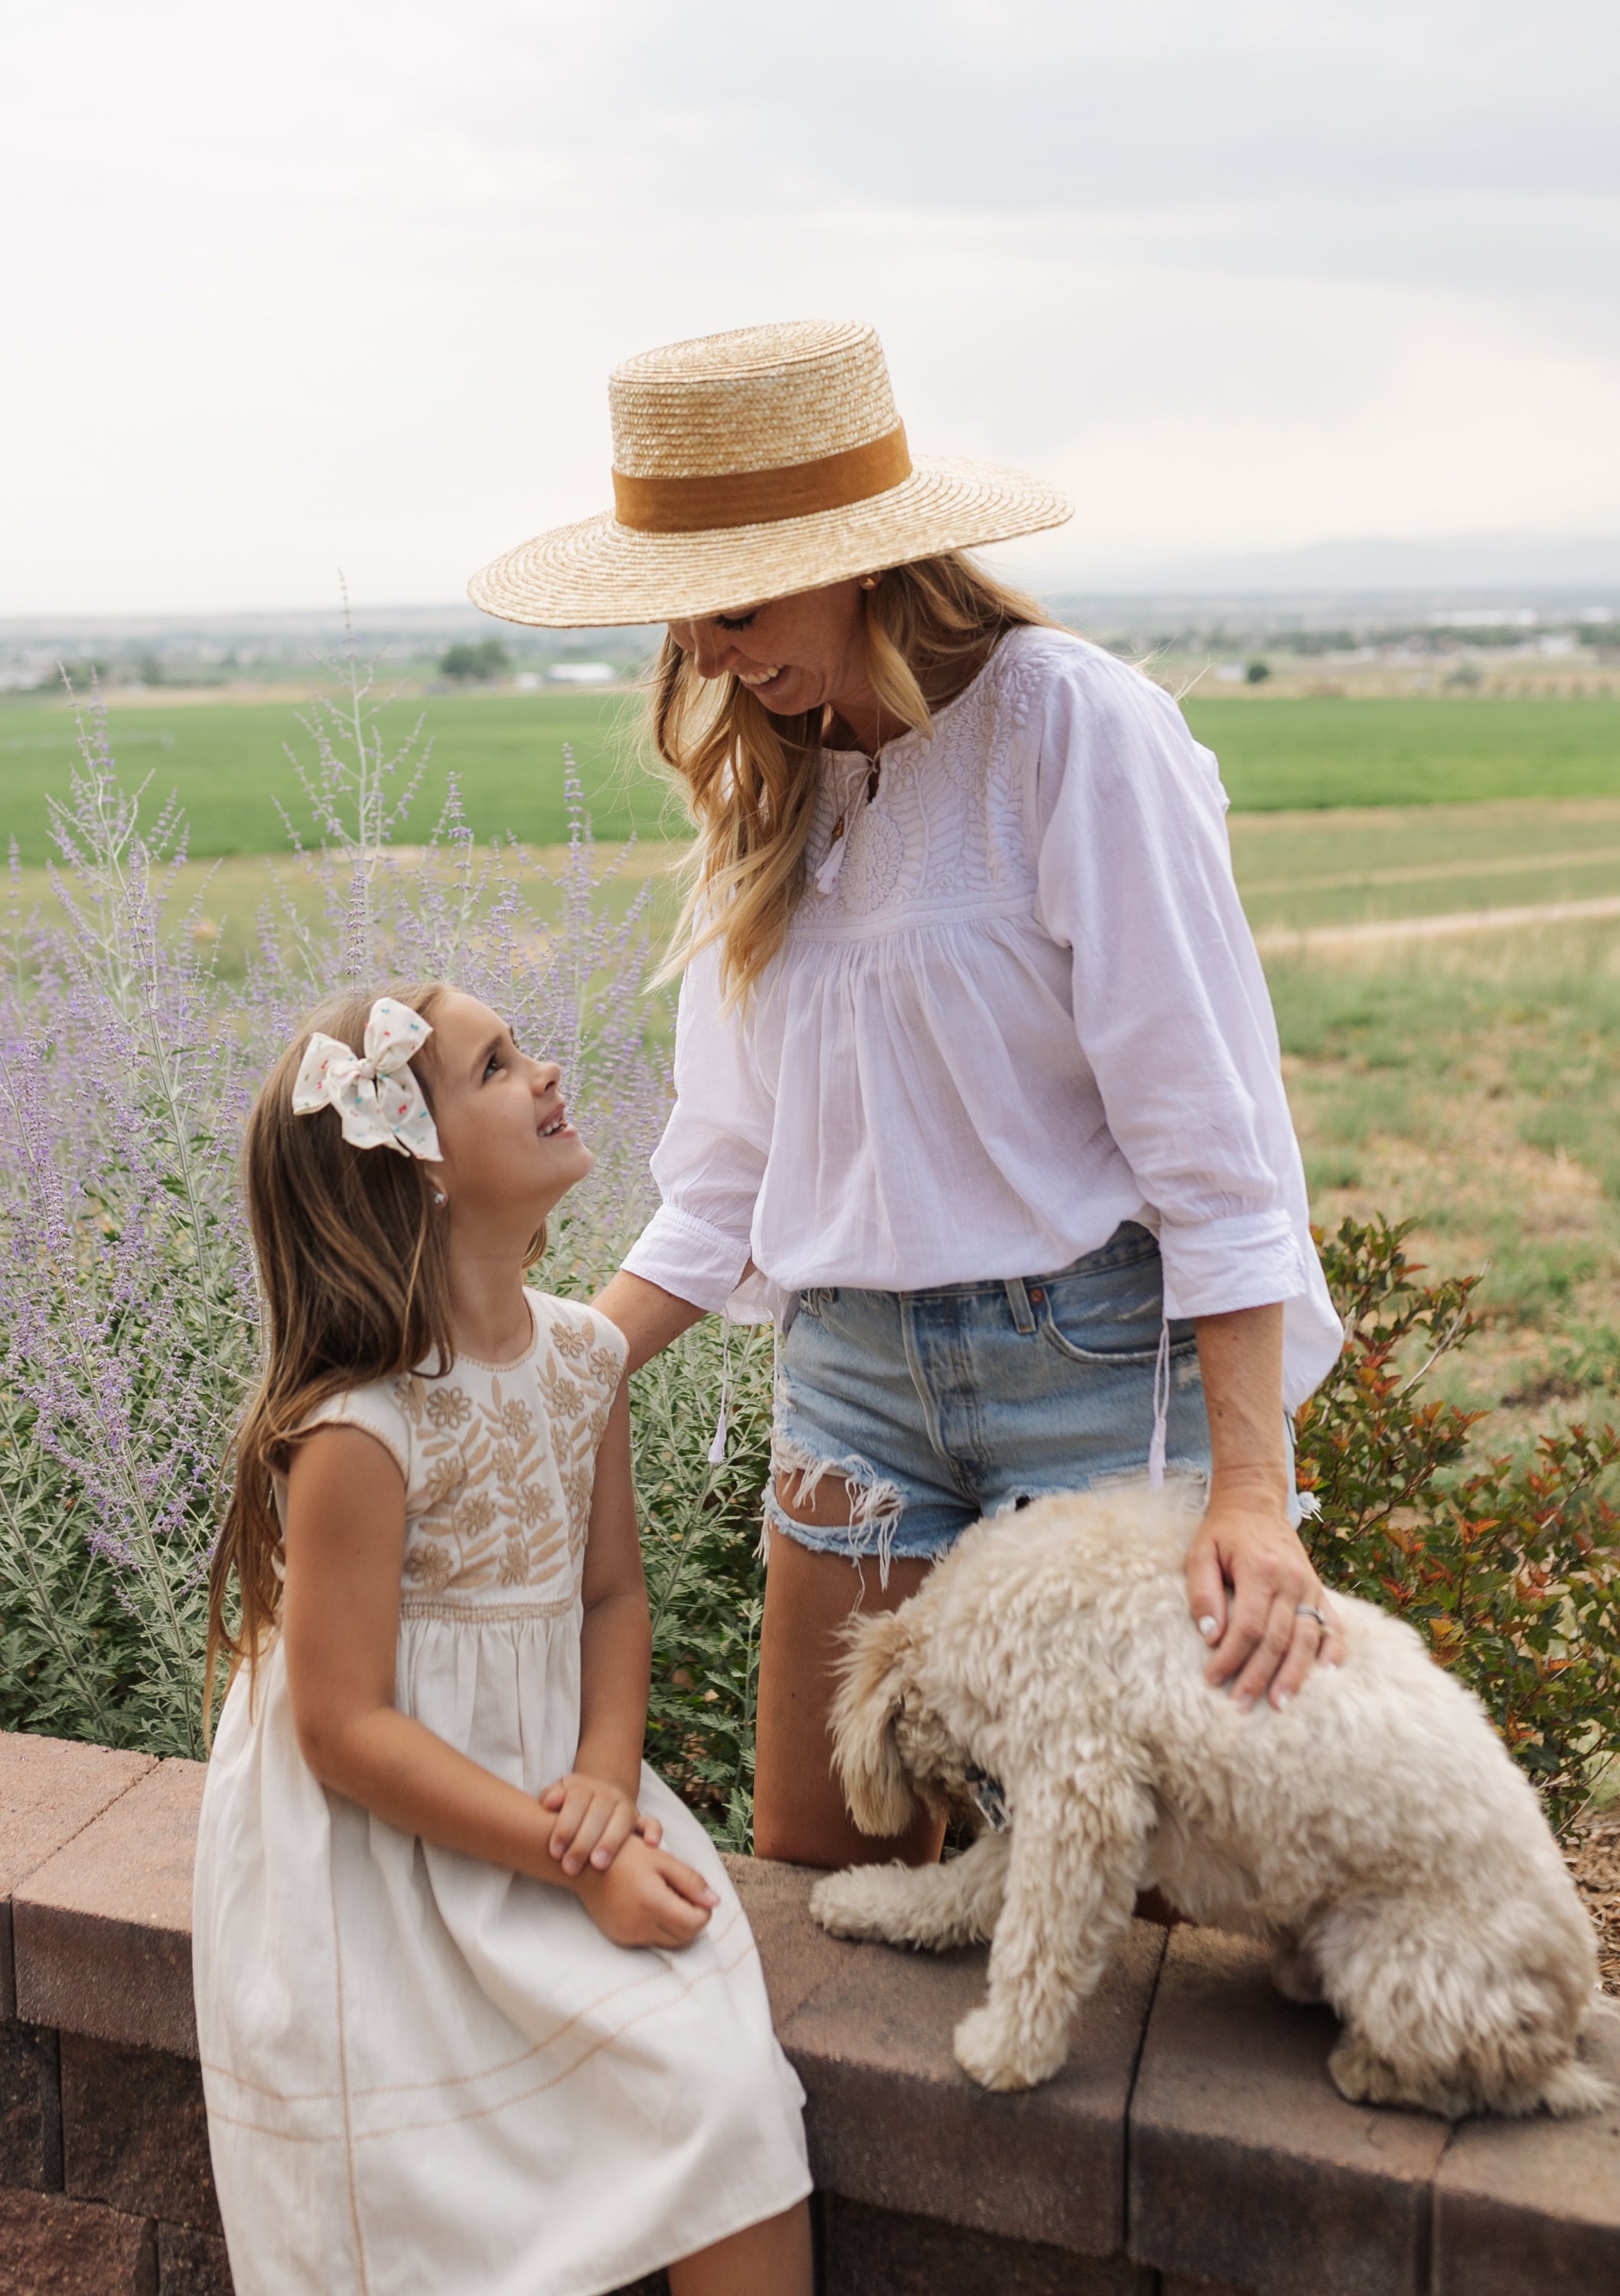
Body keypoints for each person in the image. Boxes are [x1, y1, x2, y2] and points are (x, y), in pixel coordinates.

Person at [469, 319, 1347, 1874]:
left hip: (1091, 1367)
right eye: (680, 630)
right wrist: (556, 1372)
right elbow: (731, 1179)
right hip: (856, 1382)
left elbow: (1213, 1153)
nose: (712, 661)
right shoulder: (778, 790)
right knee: (820, 1864)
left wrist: (1252, 1497)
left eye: (733, 610)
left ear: (861, 561)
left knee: (1118, 1894)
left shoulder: (1071, 731)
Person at [194, 988, 811, 2296]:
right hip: (383, 1857)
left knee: (729, 2102)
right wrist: (566, 1858)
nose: (544, 1070)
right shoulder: (359, 1432)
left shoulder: (583, 1359)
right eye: (496, 1064)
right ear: (417, 1171)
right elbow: (342, 1730)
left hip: (556, 1794)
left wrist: (602, 1780)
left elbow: (609, 1601)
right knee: (423, 2198)